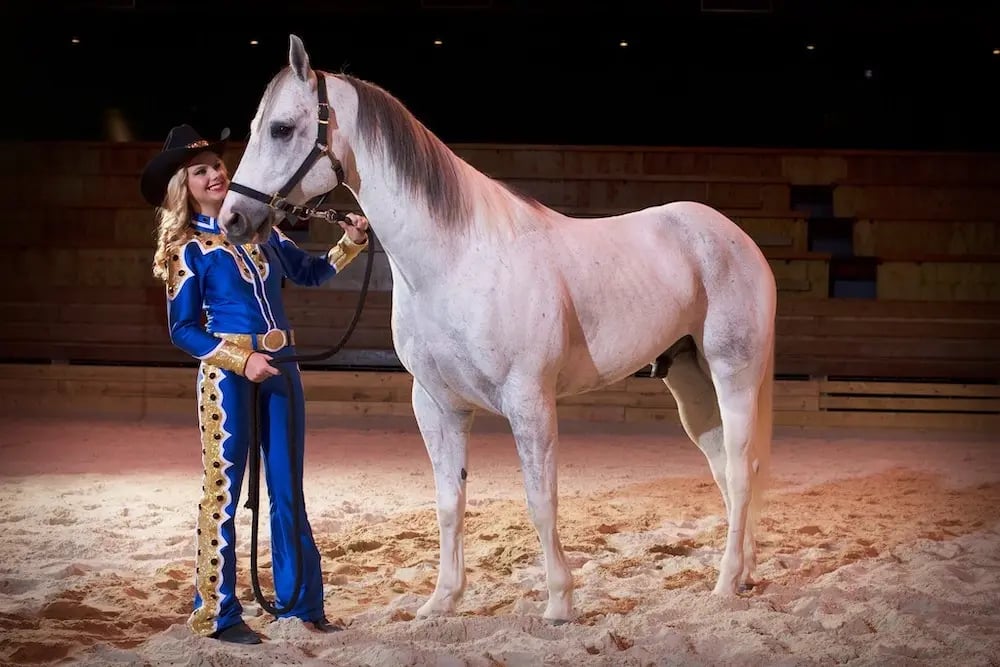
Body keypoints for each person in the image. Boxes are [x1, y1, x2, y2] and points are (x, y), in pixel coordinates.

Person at [140, 124, 369, 644]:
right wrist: (242, 363)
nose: (216, 174)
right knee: (224, 492)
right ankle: (217, 614)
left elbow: (309, 273)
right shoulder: (188, 248)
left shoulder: (262, 229)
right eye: (201, 171)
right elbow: (184, 330)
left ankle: (301, 605)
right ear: (185, 186)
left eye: (217, 166)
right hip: (228, 375)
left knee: (288, 487)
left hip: (281, 364)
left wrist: (349, 244)